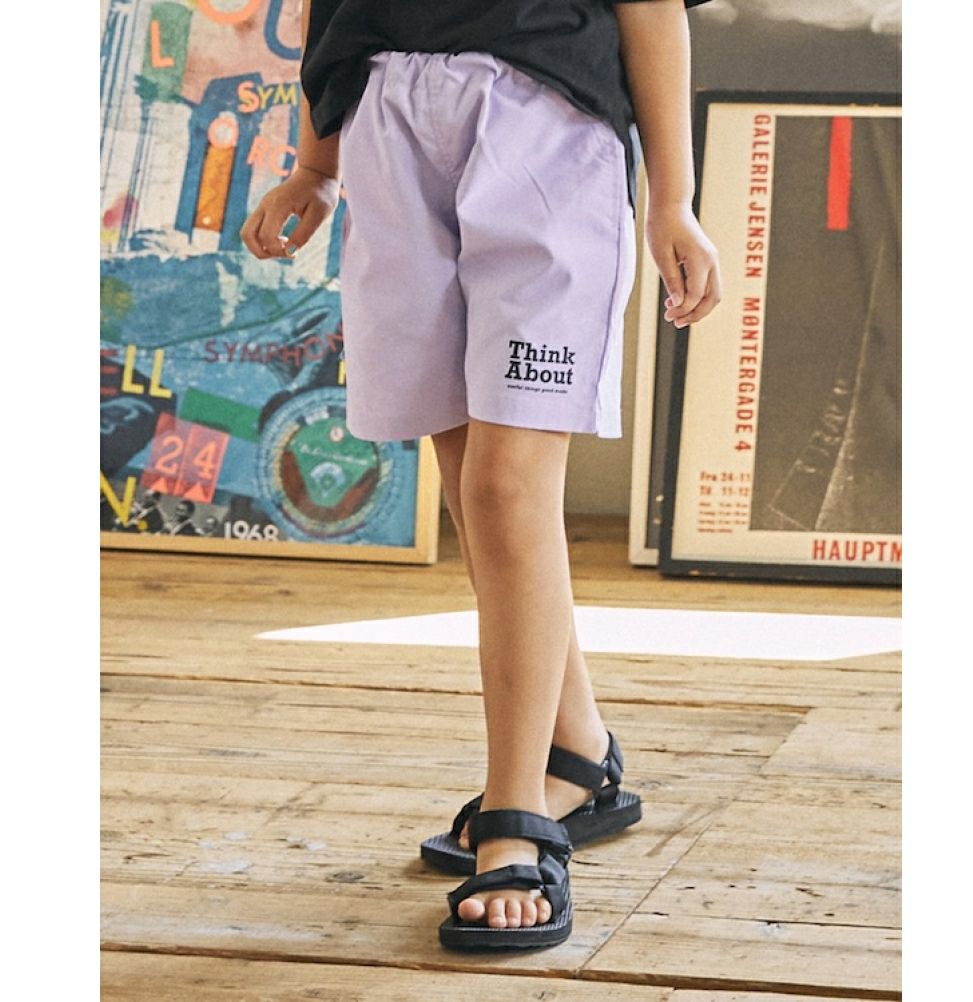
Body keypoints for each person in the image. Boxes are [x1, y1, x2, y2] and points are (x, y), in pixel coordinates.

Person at [241, 0, 722, 951]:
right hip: (388, 120)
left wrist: (672, 195)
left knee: (507, 488)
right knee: (473, 484)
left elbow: (650, 5)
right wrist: (317, 163)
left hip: (548, 120)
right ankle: (577, 752)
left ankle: (518, 820)